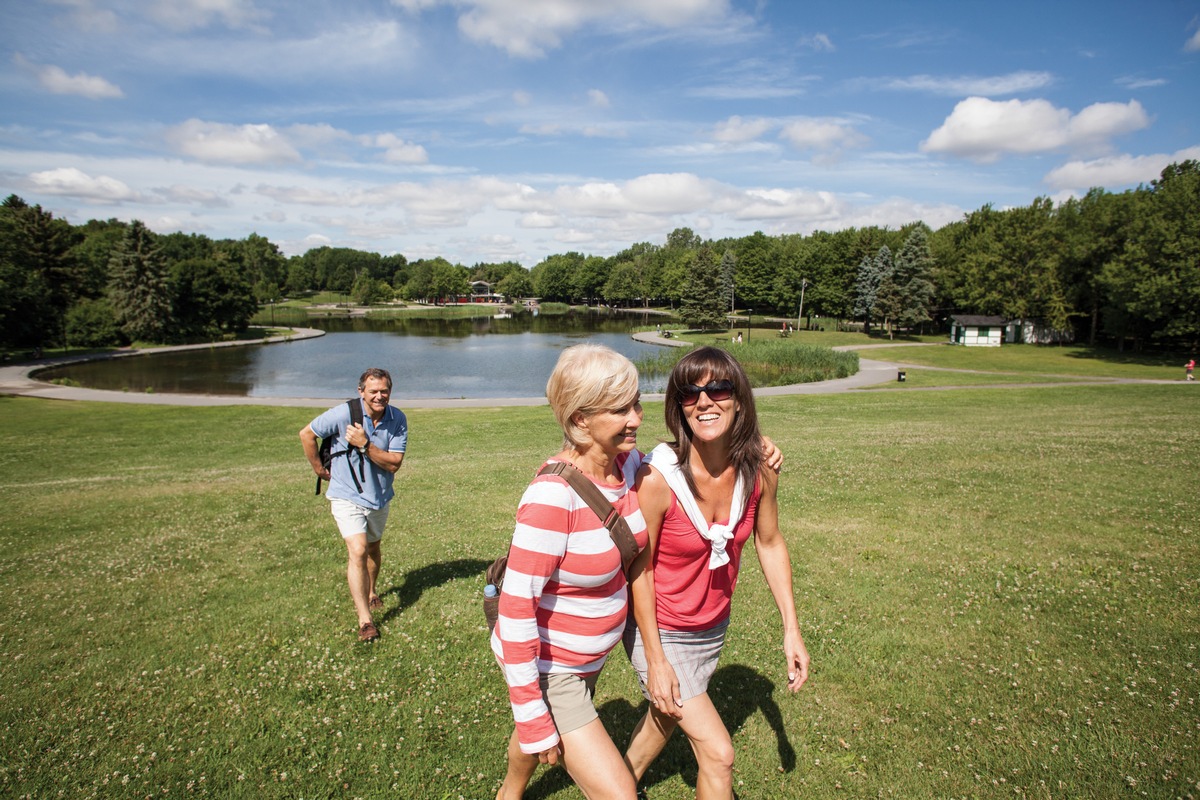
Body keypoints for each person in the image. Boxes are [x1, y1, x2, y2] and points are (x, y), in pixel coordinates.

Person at [623, 346, 809, 799]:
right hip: (661, 629)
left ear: (739, 398)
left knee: (667, 716)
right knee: (718, 754)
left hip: (710, 628)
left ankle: (614, 785)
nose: (704, 401)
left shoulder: (761, 468)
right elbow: (638, 570)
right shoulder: (656, 479)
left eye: (719, 388)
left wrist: (791, 628)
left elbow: (769, 541)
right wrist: (657, 659)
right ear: (678, 407)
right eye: (690, 393)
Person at [492, 344, 648, 800]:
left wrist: (750, 444)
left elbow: (682, 458)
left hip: (586, 660)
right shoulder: (552, 498)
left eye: (636, 402)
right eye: (620, 409)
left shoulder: (628, 464)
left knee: (545, 730)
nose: (636, 418)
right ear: (580, 420)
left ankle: (509, 793)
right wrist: (532, 713)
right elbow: (516, 607)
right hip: (550, 664)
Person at [300, 368, 407, 643]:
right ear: (361, 392)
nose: (379, 396)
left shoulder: (397, 419)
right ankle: (365, 620)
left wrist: (364, 444)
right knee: (358, 550)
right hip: (345, 495)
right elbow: (306, 434)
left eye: (384, 391)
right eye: (373, 391)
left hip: (379, 496)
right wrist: (318, 469)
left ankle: (372, 591)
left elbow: (394, 463)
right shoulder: (343, 414)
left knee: (373, 547)